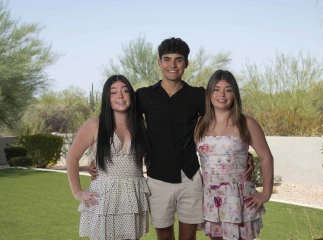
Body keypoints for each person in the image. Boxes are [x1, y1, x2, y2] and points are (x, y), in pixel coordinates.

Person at [89, 38, 254, 240]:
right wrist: (96, 158)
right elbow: (119, 122)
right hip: (157, 179)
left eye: (178, 60)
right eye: (167, 59)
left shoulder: (198, 95)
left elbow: (223, 122)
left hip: (191, 178)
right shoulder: (143, 96)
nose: (172, 65)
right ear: (159, 62)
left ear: (186, 63)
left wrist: (244, 155)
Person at [66, 75, 151, 240]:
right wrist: (77, 192)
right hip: (106, 197)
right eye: (114, 92)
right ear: (107, 97)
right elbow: (72, 157)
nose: (120, 96)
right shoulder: (94, 125)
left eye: (125, 91)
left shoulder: (141, 125)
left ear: (131, 96)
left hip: (134, 195)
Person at [194, 70, 274, 240]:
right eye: (216, 89)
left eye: (228, 90)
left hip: (239, 199)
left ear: (235, 94)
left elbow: (267, 157)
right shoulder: (199, 124)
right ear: (209, 94)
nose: (222, 94)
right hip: (211, 198)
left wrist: (266, 193)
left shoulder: (247, 123)